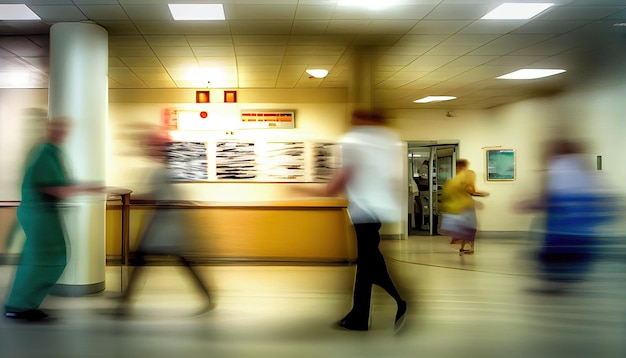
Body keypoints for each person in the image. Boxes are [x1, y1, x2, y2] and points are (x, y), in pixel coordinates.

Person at [297, 109, 407, 332]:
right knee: (366, 265)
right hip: (373, 213)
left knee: (370, 265)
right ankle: (359, 317)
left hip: (364, 213)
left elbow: (335, 186)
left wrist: (299, 189)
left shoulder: (355, 144)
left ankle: (401, 300)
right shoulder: (382, 148)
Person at [4, 117, 102, 321]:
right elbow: (55, 188)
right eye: (57, 128)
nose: (61, 132)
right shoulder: (44, 154)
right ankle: (18, 305)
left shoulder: (54, 153)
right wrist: (89, 188)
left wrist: (86, 187)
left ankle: (25, 303)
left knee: (50, 258)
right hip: (39, 214)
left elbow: (62, 183)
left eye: (64, 129)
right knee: (42, 260)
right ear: (48, 129)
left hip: (44, 214)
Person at [115, 128, 212, 316]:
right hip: (164, 221)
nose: (148, 147)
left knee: (154, 258)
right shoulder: (162, 168)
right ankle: (126, 301)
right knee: (148, 259)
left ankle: (125, 302)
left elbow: (161, 197)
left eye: (151, 144)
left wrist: (132, 198)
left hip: (165, 224)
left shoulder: (160, 170)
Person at [440, 159, 488, 256]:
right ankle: (467, 247)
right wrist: (482, 194)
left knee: (462, 229)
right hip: (466, 207)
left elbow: (446, 196)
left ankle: (461, 246)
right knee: (470, 228)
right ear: (465, 166)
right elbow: (472, 191)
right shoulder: (469, 175)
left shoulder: (451, 182)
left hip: (454, 209)